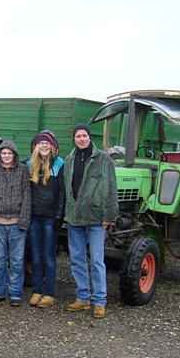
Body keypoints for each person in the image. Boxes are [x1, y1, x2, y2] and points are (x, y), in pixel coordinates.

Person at [63, 124, 118, 319]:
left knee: (96, 260)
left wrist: (109, 216)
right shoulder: (69, 161)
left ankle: (100, 301)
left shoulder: (103, 159)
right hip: (74, 218)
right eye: (78, 136)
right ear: (74, 139)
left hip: (96, 218)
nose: (81, 139)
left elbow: (111, 189)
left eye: (84, 135)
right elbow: (66, 190)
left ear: (89, 137)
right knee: (77, 259)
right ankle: (83, 298)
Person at [0, 140, 31, 306]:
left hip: (17, 222)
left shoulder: (23, 171)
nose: (6, 156)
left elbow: (27, 197)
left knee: (17, 260)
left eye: (9, 153)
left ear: (15, 155)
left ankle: (15, 293)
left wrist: (24, 221)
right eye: (3, 153)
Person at [26, 131, 65, 309]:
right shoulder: (29, 165)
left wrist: (59, 215)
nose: (44, 145)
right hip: (34, 216)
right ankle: (37, 290)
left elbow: (62, 193)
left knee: (49, 256)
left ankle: (49, 293)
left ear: (52, 146)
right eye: (40, 143)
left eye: (47, 143)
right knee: (35, 255)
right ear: (35, 147)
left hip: (50, 217)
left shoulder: (59, 164)